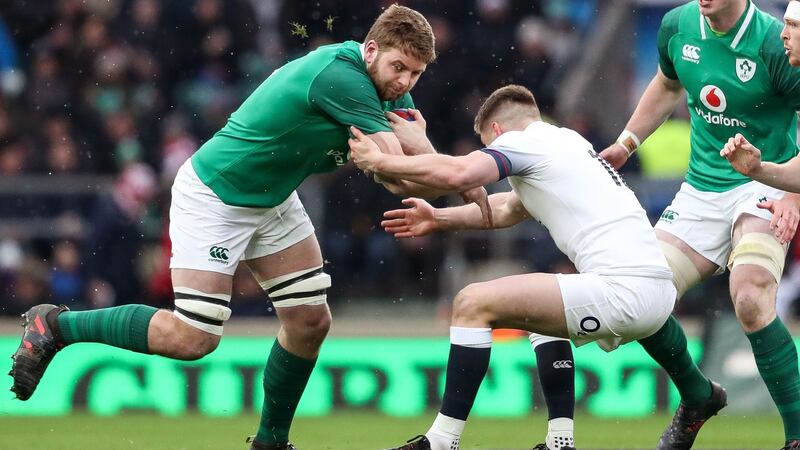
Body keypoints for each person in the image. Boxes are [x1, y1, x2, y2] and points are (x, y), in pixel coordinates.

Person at [8, 6, 487, 450]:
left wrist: (453, 172)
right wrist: (450, 167)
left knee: (310, 322)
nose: (404, 82)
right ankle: (57, 325)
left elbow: (404, 167)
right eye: (398, 67)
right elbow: (399, 174)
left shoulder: (388, 89)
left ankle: (270, 443)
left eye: (415, 73)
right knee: (194, 337)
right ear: (371, 50)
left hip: (272, 198)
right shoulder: (342, 77)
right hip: (217, 194)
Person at [348, 84, 724, 450]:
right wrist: (438, 218)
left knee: (470, 302)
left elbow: (459, 175)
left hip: (623, 291)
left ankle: (442, 441)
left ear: (497, 131)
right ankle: (560, 441)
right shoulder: (568, 142)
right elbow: (507, 209)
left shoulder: (521, 143)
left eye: (488, 145)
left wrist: (380, 160)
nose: (491, 152)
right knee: (536, 311)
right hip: (656, 294)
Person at [598, 1, 800, 448]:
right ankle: (698, 396)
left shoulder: (778, 41)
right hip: (700, 192)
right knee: (638, 298)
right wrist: (626, 143)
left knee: (749, 294)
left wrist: (792, 194)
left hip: (764, 181)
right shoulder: (678, 25)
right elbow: (667, 84)